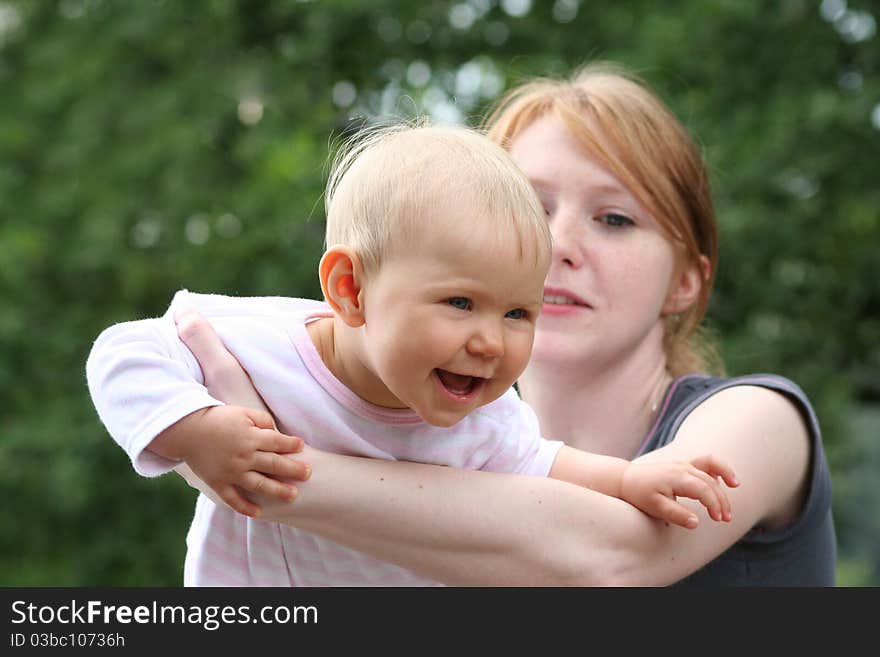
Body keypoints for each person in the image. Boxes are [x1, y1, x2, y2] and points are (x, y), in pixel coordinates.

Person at [166, 61, 837, 587]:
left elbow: (610, 558)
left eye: (614, 218)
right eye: (530, 210)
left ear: (687, 279)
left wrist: (265, 473)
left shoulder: (760, 421)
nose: (559, 245)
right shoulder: (420, 450)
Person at [86, 121, 738, 586]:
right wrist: (197, 431)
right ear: (351, 288)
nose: (490, 340)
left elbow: (543, 463)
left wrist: (629, 480)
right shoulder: (256, 343)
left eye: (517, 312)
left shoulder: (486, 419)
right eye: (459, 302)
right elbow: (122, 353)